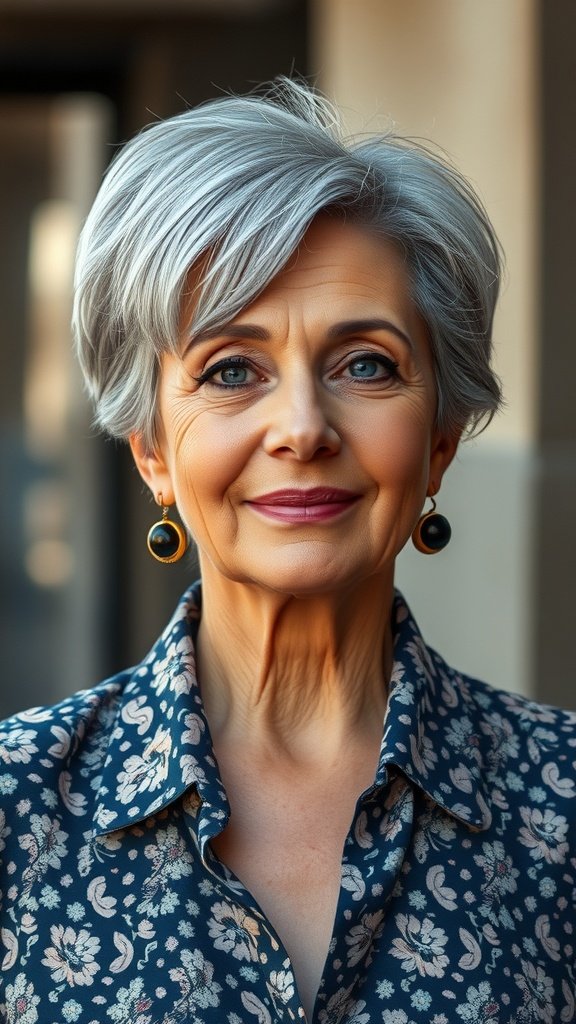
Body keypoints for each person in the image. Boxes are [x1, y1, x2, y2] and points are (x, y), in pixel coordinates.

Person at [0, 79, 575, 1024]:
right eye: (232, 371)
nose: (303, 428)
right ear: (152, 449)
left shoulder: (561, 815)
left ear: (439, 440)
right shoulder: (18, 811)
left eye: (366, 365)